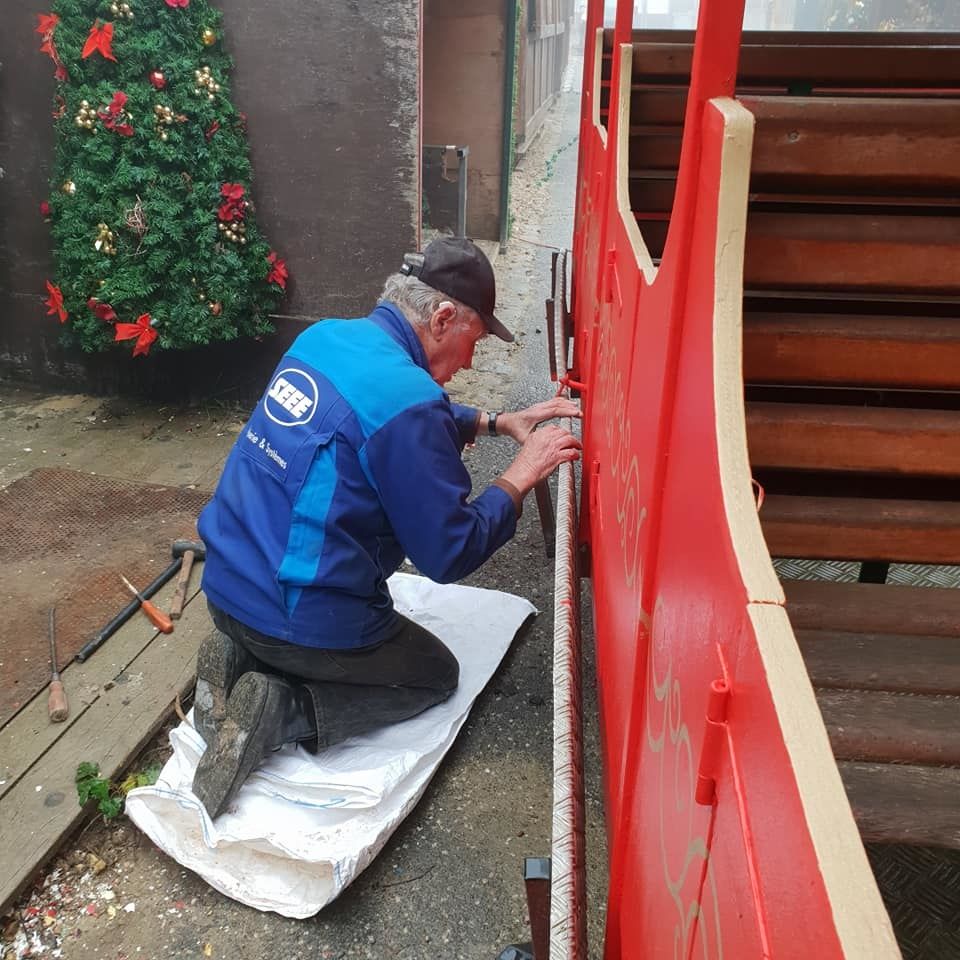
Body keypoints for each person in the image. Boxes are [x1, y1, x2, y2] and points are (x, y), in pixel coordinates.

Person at [191, 236, 581, 819]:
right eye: (472, 342)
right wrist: (520, 476)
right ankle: (282, 709)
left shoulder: (322, 339)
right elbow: (448, 553)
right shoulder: (408, 400)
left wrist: (495, 422)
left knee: (285, 612)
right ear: (444, 316)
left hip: (222, 589)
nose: (470, 363)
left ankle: (240, 657)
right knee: (432, 676)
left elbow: (383, 413)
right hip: (296, 618)